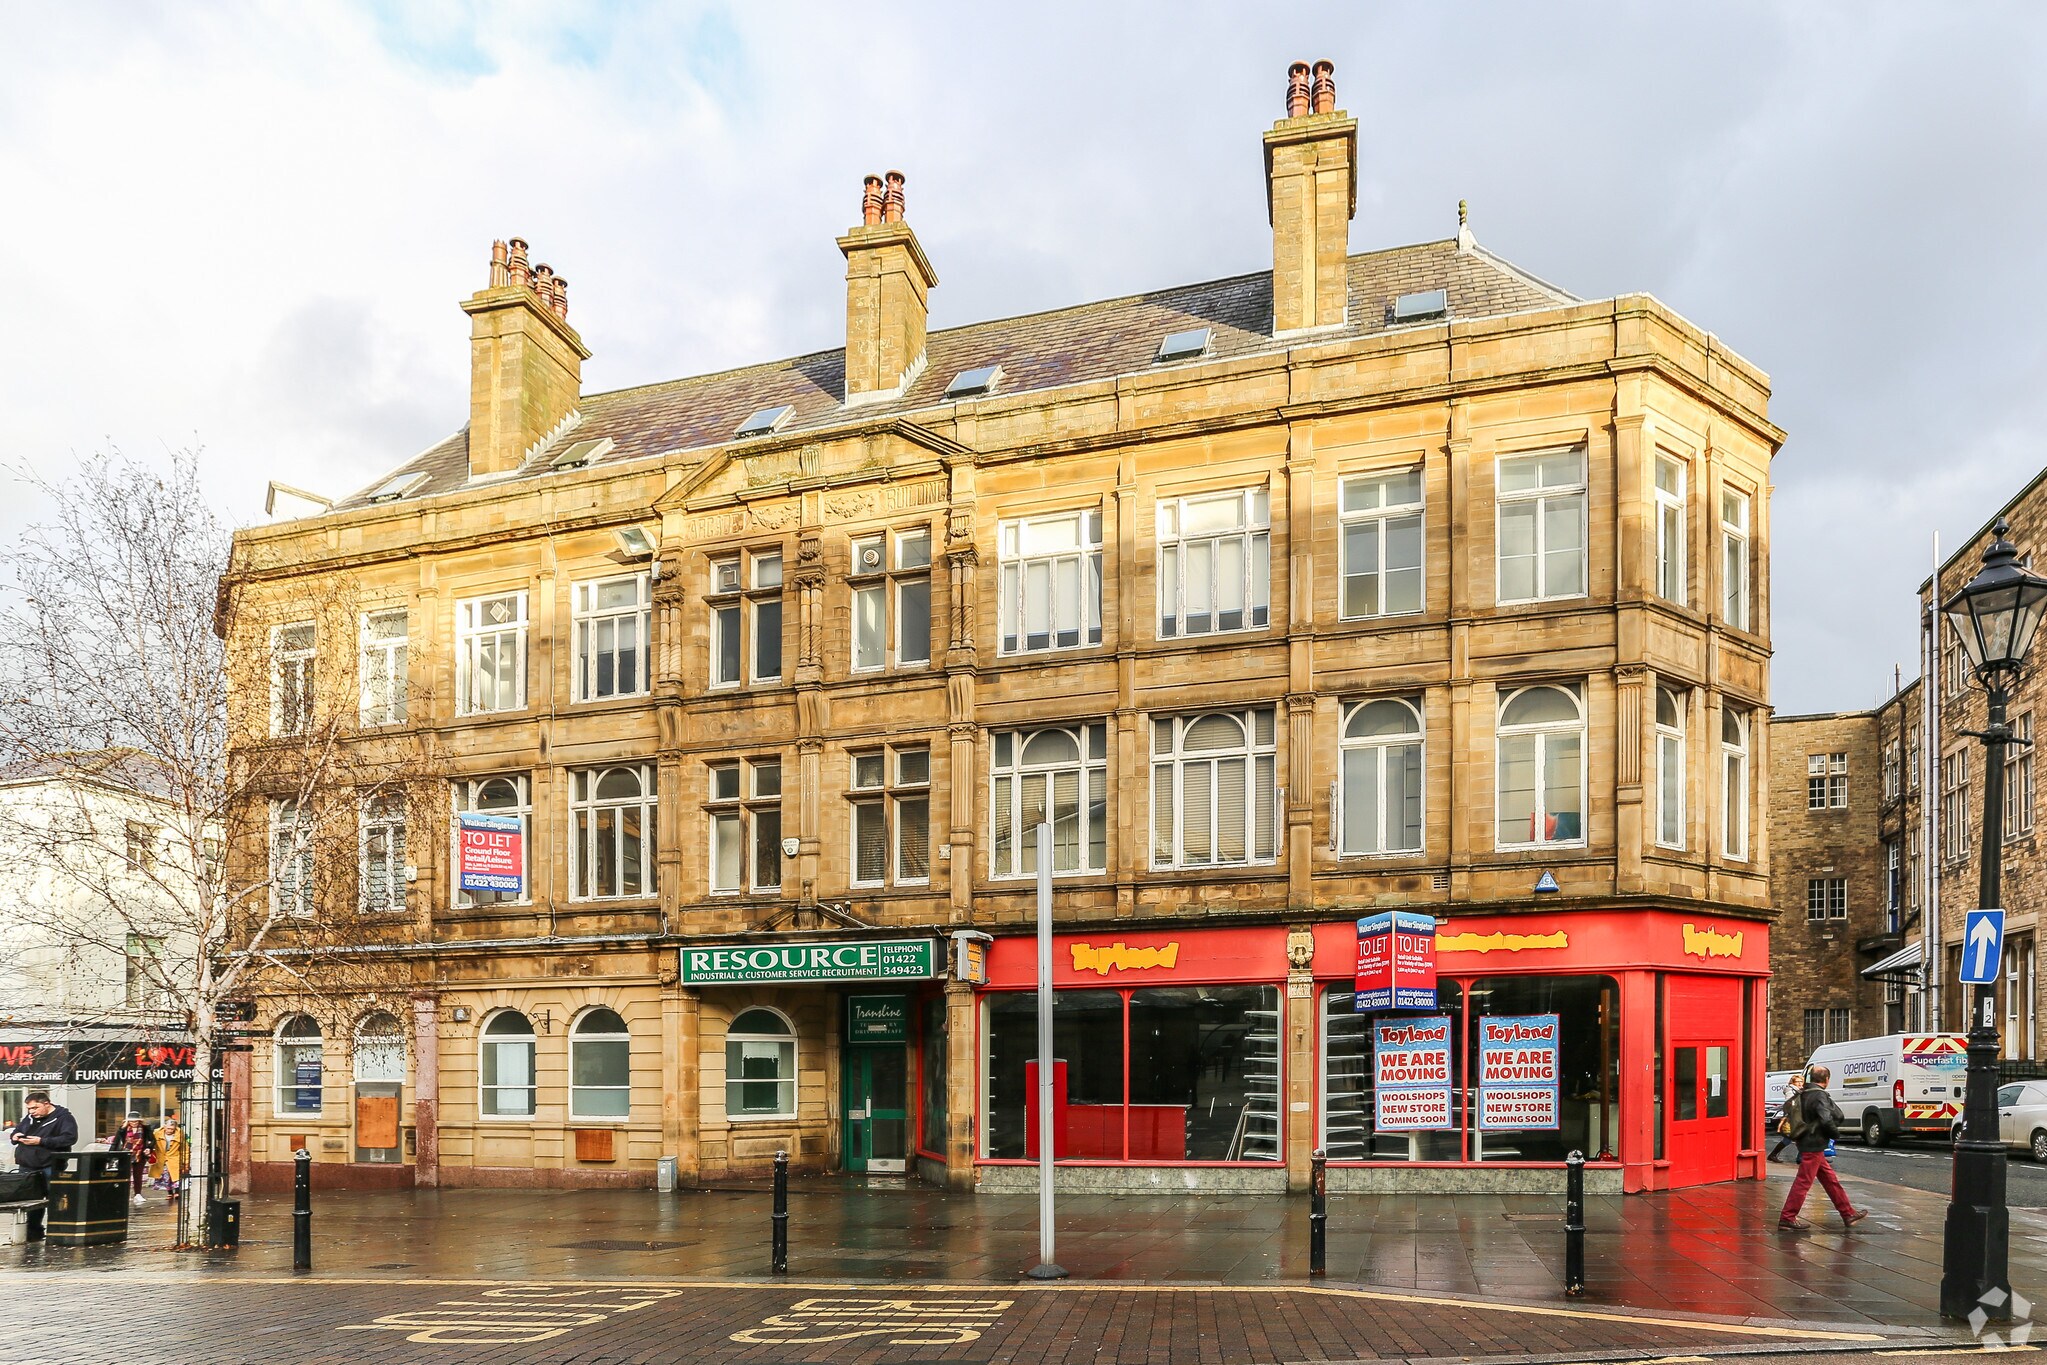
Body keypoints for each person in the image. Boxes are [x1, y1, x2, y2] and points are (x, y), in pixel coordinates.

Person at [1779, 1065, 1869, 1231]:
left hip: (1807, 1140)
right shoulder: (1819, 1095)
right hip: (1814, 1143)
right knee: (1803, 1181)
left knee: (1830, 1180)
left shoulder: (1804, 1093)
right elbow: (1826, 1119)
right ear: (1826, 1080)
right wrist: (1835, 1134)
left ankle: (1847, 1213)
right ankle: (1787, 1217)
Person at [4, 1091, 79, 1240]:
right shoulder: (30, 1117)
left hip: (49, 1164)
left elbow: (69, 1138)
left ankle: (57, 1231)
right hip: (27, 1164)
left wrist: (41, 1141)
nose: (32, 1112)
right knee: (30, 1199)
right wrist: (15, 1136)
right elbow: (19, 1129)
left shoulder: (64, 1118)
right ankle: (33, 1231)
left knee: (54, 1197)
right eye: (29, 1109)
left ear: (46, 1104)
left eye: (35, 1108)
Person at [116, 1115, 157, 1205]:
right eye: (132, 1121)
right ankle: (124, 1194)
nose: (134, 1123)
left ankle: (137, 1194)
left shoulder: (145, 1129)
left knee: (138, 1175)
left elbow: (152, 1140)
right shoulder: (123, 1129)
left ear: (139, 1121)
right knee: (125, 1175)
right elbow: (117, 1141)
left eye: (136, 1121)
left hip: (140, 1154)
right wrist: (112, 1153)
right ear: (128, 1122)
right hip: (126, 1154)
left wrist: (148, 1148)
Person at [1768, 1073, 1804, 1162]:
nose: (1800, 1084)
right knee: (1795, 1138)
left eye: (1801, 1082)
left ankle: (1800, 1158)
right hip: (1792, 1119)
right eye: (1797, 1082)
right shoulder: (1790, 1091)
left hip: (1797, 1118)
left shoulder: (1799, 1091)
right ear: (1793, 1082)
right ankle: (1800, 1158)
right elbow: (1790, 1103)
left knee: (1797, 1138)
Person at [155, 1114, 188, 1201]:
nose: (170, 1131)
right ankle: (169, 1193)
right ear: (165, 1127)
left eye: (172, 1129)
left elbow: (185, 1149)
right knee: (166, 1177)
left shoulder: (179, 1135)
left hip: (174, 1158)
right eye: (168, 1128)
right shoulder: (157, 1133)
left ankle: (177, 1192)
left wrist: (186, 1161)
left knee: (176, 1176)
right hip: (162, 1158)